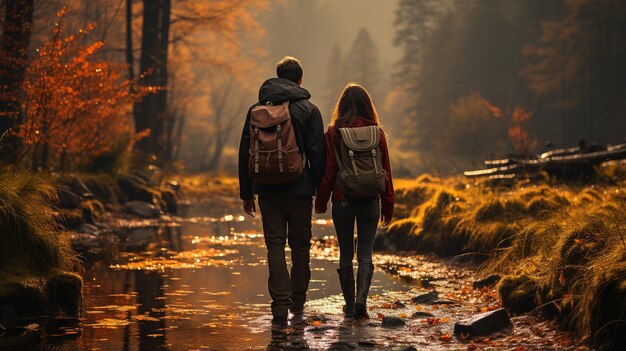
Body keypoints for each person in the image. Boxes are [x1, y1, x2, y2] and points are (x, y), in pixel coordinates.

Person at [238, 56, 326, 326]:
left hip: (266, 189)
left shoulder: (256, 109)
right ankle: (298, 302)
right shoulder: (309, 110)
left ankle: (279, 306)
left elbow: (244, 152)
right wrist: (320, 192)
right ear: (300, 81)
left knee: (274, 245)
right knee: (300, 245)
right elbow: (318, 154)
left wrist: (246, 193)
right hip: (299, 190)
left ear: (277, 76)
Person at [314, 83, 394, 319]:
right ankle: (362, 302)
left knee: (346, 252)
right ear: (368, 106)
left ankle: (349, 306)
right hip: (371, 200)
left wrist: (321, 201)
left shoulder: (333, 133)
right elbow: (386, 171)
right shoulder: (377, 133)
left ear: (341, 106)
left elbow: (328, 172)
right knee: (366, 254)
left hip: (343, 200)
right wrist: (388, 205)